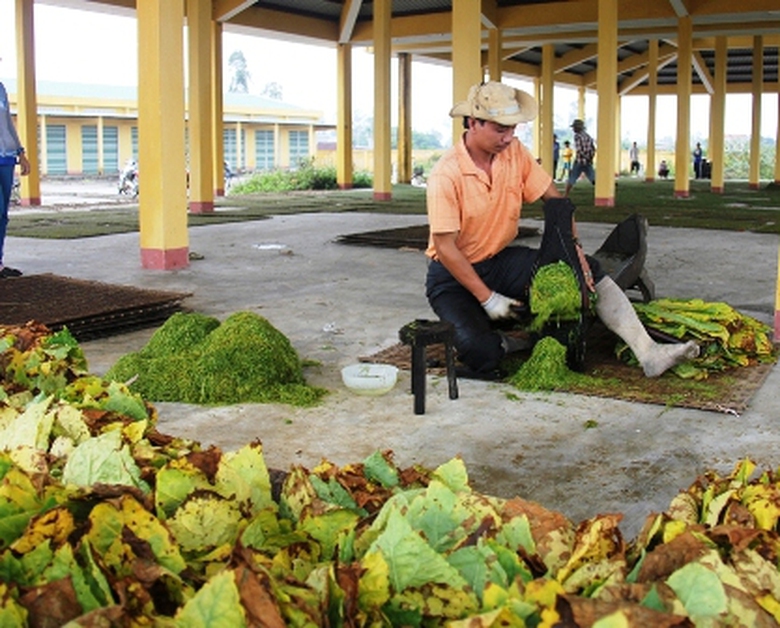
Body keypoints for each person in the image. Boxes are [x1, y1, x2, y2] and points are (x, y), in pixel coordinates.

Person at [425, 81, 698, 379]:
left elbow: (556, 202)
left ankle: (649, 352)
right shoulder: (446, 173)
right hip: (452, 276)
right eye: (500, 129)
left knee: (583, 271)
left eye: (513, 129)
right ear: (473, 123)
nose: (508, 137)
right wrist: (488, 298)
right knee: (481, 353)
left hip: (499, 261)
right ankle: (505, 339)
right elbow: (446, 248)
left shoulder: (514, 152)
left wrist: (574, 252)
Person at [0, 71, 30, 278]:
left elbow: (8, 124)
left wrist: (21, 152)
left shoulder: (0, 89)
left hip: (7, 158)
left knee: (3, 215)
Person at [564, 118, 596, 196]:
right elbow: (593, 148)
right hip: (588, 161)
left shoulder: (577, 136)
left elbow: (579, 149)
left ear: (577, 128)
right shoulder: (588, 136)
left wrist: (585, 157)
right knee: (593, 178)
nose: (573, 129)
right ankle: (602, 191)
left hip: (580, 160)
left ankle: (565, 195)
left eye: (574, 127)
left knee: (572, 177)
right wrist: (590, 157)